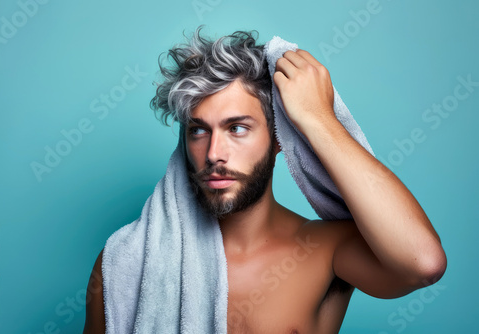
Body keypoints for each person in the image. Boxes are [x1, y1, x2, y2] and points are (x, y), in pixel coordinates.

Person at [83, 26, 447, 333]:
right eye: (198, 131)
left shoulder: (325, 250)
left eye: (237, 128)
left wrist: (319, 119)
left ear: (277, 140)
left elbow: (423, 264)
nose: (213, 154)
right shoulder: (129, 259)